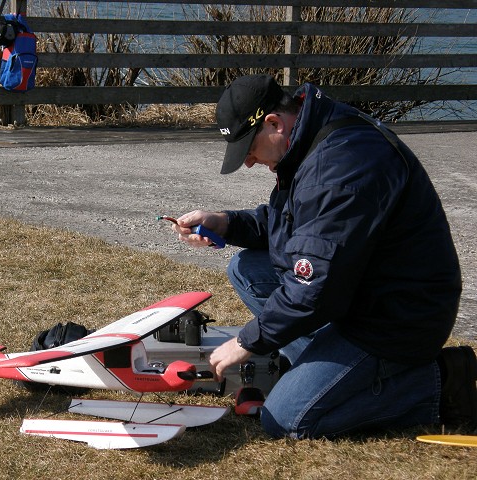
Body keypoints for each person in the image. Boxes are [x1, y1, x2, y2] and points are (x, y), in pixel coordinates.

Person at [171, 74, 476, 439]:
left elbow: (314, 284)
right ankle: (328, 372)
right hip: (361, 293)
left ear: (273, 123)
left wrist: (246, 342)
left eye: (249, 149)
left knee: (286, 418)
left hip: (399, 318)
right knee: (248, 267)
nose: (249, 162)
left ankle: (439, 381)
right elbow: (295, 227)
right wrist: (226, 223)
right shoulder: (310, 139)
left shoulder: (343, 165)